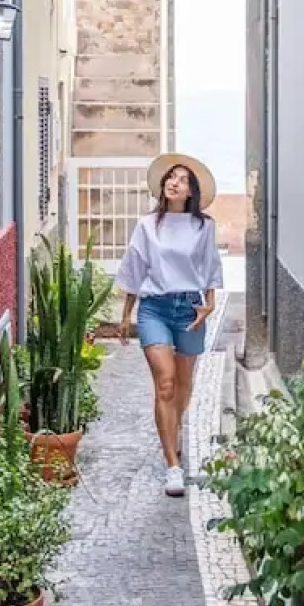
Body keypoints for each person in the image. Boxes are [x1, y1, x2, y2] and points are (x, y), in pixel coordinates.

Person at [113, 153, 225, 497]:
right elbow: (135, 267)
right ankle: (173, 465)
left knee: (184, 384)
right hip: (155, 309)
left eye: (182, 180)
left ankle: (171, 429)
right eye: (170, 178)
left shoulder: (203, 226)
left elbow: (209, 267)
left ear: (191, 192)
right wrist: (125, 315)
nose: (173, 183)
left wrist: (208, 307)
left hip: (189, 309)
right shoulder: (148, 226)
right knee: (165, 383)